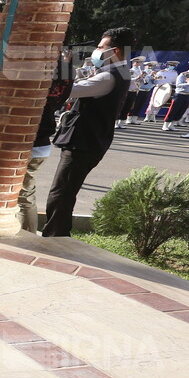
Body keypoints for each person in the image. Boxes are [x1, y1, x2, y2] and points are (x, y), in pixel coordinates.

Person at [42, 26, 134, 238]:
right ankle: (59, 233)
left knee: (61, 193)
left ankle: (55, 236)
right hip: (89, 141)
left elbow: (70, 90)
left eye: (102, 47)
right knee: (65, 192)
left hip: (84, 143)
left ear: (117, 51)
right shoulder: (115, 73)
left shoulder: (109, 77)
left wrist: (65, 66)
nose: (97, 51)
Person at [20, 50, 73, 233]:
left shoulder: (44, 68)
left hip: (32, 140)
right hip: (40, 141)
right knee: (25, 194)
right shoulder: (65, 70)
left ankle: (27, 235)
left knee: (23, 195)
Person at [163, 61, 189, 131]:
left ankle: (172, 125)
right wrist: (188, 83)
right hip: (180, 94)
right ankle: (165, 125)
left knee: (182, 110)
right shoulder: (183, 74)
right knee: (173, 110)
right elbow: (178, 85)